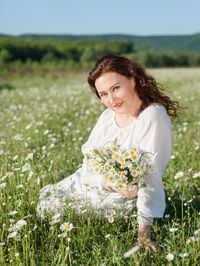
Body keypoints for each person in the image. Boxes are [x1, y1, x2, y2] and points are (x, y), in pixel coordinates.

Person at [37, 54, 181, 253]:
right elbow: (89, 161)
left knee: (53, 209)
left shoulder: (152, 116)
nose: (111, 99)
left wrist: (144, 235)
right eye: (103, 94)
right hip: (95, 182)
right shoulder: (107, 117)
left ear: (132, 80)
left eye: (116, 88)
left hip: (124, 198)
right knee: (47, 199)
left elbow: (151, 174)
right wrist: (105, 182)